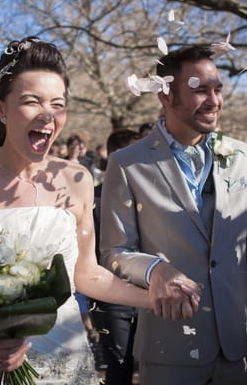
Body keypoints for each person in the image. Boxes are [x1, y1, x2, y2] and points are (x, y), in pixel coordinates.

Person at [0, 37, 197, 384]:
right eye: (31, 101)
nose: (48, 115)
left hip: (66, 357)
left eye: (58, 104)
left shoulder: (76, 179)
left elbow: (86, 275)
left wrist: (155, 299)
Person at [100, 44, 247, 385]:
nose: (214, 100)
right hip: (168, 346)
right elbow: (114, 252)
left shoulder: (241, 156)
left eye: (217, 89)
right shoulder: (127, 163)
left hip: (237, 344)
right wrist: (155, 269)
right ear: (166, 95)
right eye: (199, 90)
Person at [93, 128, 141, 385]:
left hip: (150, 296)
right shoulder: (94, 199)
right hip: (112, 299)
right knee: (118, 364)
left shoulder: (150, 198)